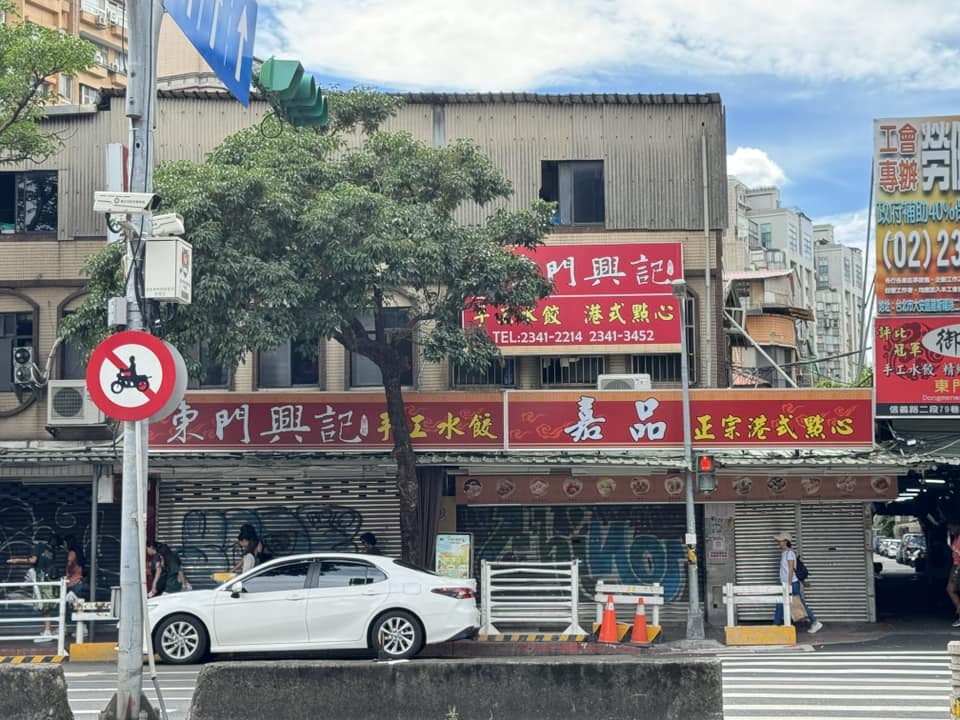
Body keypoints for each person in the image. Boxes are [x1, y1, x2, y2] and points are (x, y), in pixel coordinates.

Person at [5, 532, 57, 642]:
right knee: (45, 605)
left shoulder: (38, 547)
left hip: (40, 579)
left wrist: (17, 560)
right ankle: (48, 630)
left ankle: (47, 632)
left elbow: (33, 560)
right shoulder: (52, 551)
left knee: (43, 605)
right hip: (48, 580)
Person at [773, 531, 822, 633]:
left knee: (799, 604)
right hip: (786, 583)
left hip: (791, 584)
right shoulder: (785, 553)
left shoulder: (790, 553)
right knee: (780, 602)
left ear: (785, 541)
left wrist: (788, 585)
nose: (778, 542)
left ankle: (815, 622)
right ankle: (776, 624)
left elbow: (791, 569)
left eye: (780, 540)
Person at [60, 534, 86, 605]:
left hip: (73, 583)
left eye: (64, 543)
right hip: (79, 582)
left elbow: (69, 562)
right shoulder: (78, 552)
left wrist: (67, 573)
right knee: (77, 607)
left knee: (70, 607)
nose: (64, 545)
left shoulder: (71, 553)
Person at [946, 524, 960, 627]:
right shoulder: (955, 538)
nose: (950, 530)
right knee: (950, 589)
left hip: (958, 567)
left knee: (951, 589)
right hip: (955, 567)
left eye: (951, 527)